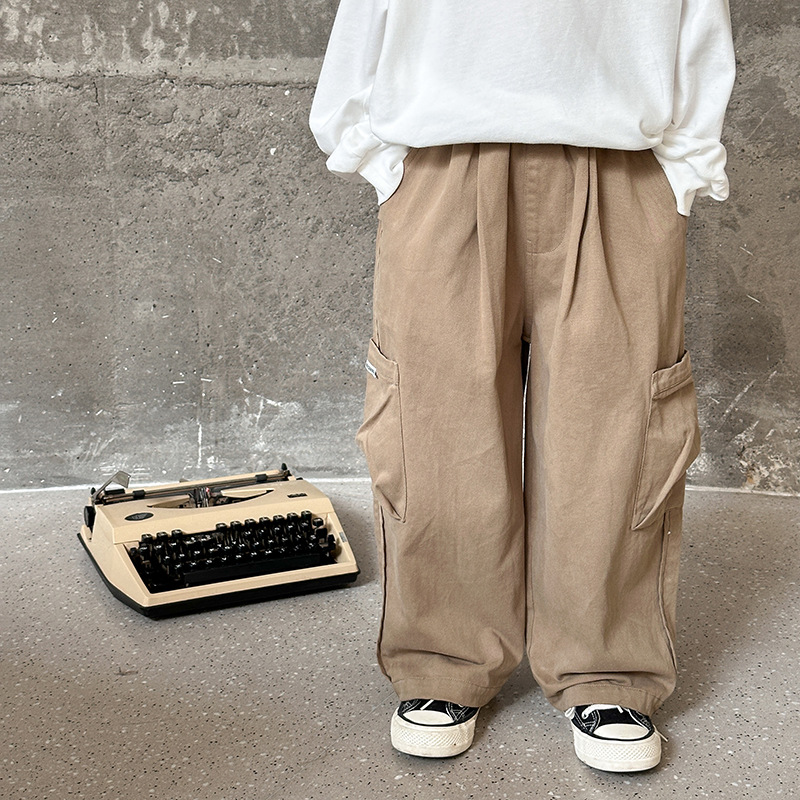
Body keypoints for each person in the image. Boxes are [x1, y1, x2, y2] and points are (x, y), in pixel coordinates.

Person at [310, 0, 735, 773]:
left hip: (619, 159)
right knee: (436, 424)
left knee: (616, 434)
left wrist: (682, 168)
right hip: (442, 156)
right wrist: (375, 154)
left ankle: (609, 668)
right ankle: (444, 657)